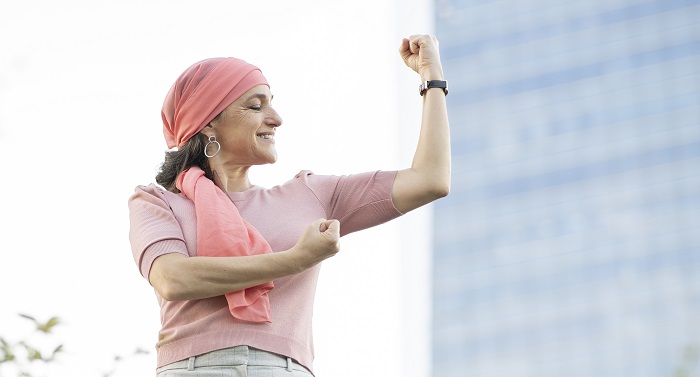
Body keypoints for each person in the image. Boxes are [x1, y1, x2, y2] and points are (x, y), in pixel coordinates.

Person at [128, 34, 450, 376]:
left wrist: (432, 79)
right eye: (256, 106)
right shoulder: (156, 202)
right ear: (207, 123)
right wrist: (296, 259)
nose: (276, 118)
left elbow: (429, 180)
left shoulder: (311, 194)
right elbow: (172, 278)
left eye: (271, 104)